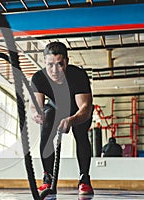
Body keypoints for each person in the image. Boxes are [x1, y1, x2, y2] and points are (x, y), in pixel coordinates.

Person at [30, 41, 94, 195]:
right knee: (45, 129)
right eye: (50, 65)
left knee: (81, 133)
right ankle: (48, 178)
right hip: (54, 109)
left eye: (60, 64)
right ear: (44, 62)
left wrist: (71, 120)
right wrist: (36, 114)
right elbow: (35, 106)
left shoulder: (78, 76)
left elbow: (85, 108)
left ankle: (84, 179)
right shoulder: (39, 78)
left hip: (76, 110)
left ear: (67, 62)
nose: (55, 70)